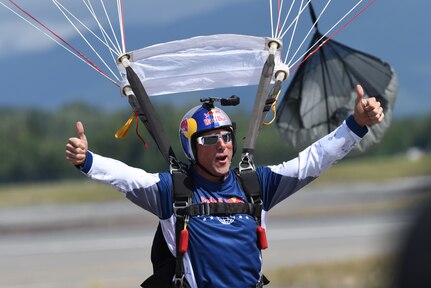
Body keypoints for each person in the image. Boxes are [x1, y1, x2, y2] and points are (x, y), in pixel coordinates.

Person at [66, 84, 384, 287]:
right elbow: (125, 176)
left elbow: (312, 161)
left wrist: (355, 125)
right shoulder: (172, 191)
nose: (222, 146)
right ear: (191, 147)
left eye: (226, 137)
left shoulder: (256, 184)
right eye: (210, 139)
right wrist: (87, 159)